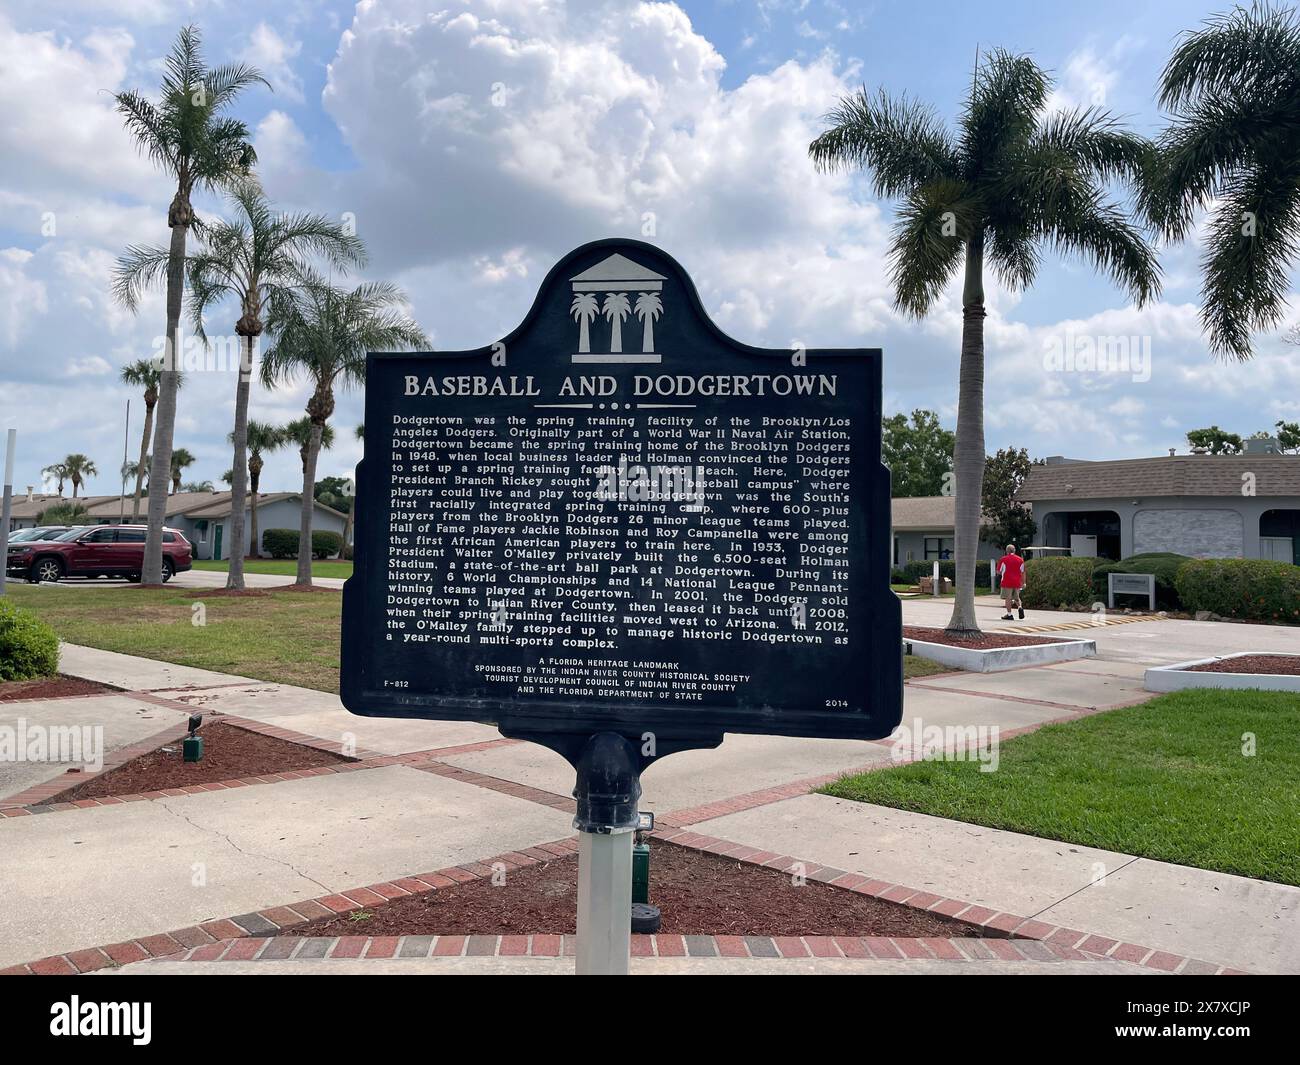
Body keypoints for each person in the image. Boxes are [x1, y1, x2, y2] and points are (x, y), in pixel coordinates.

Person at [997, 543, 1026, 620]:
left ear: (1007, 551)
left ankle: (1009, 614)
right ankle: (1020, 607)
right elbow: (1023, 572)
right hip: (1017, 582)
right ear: (1014, 550)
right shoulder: (1020, 560)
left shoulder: (1003, 559)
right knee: (1017, 597)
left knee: (1008, 598)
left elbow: (999, 571)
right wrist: (1023, 582)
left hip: (1007, 582)